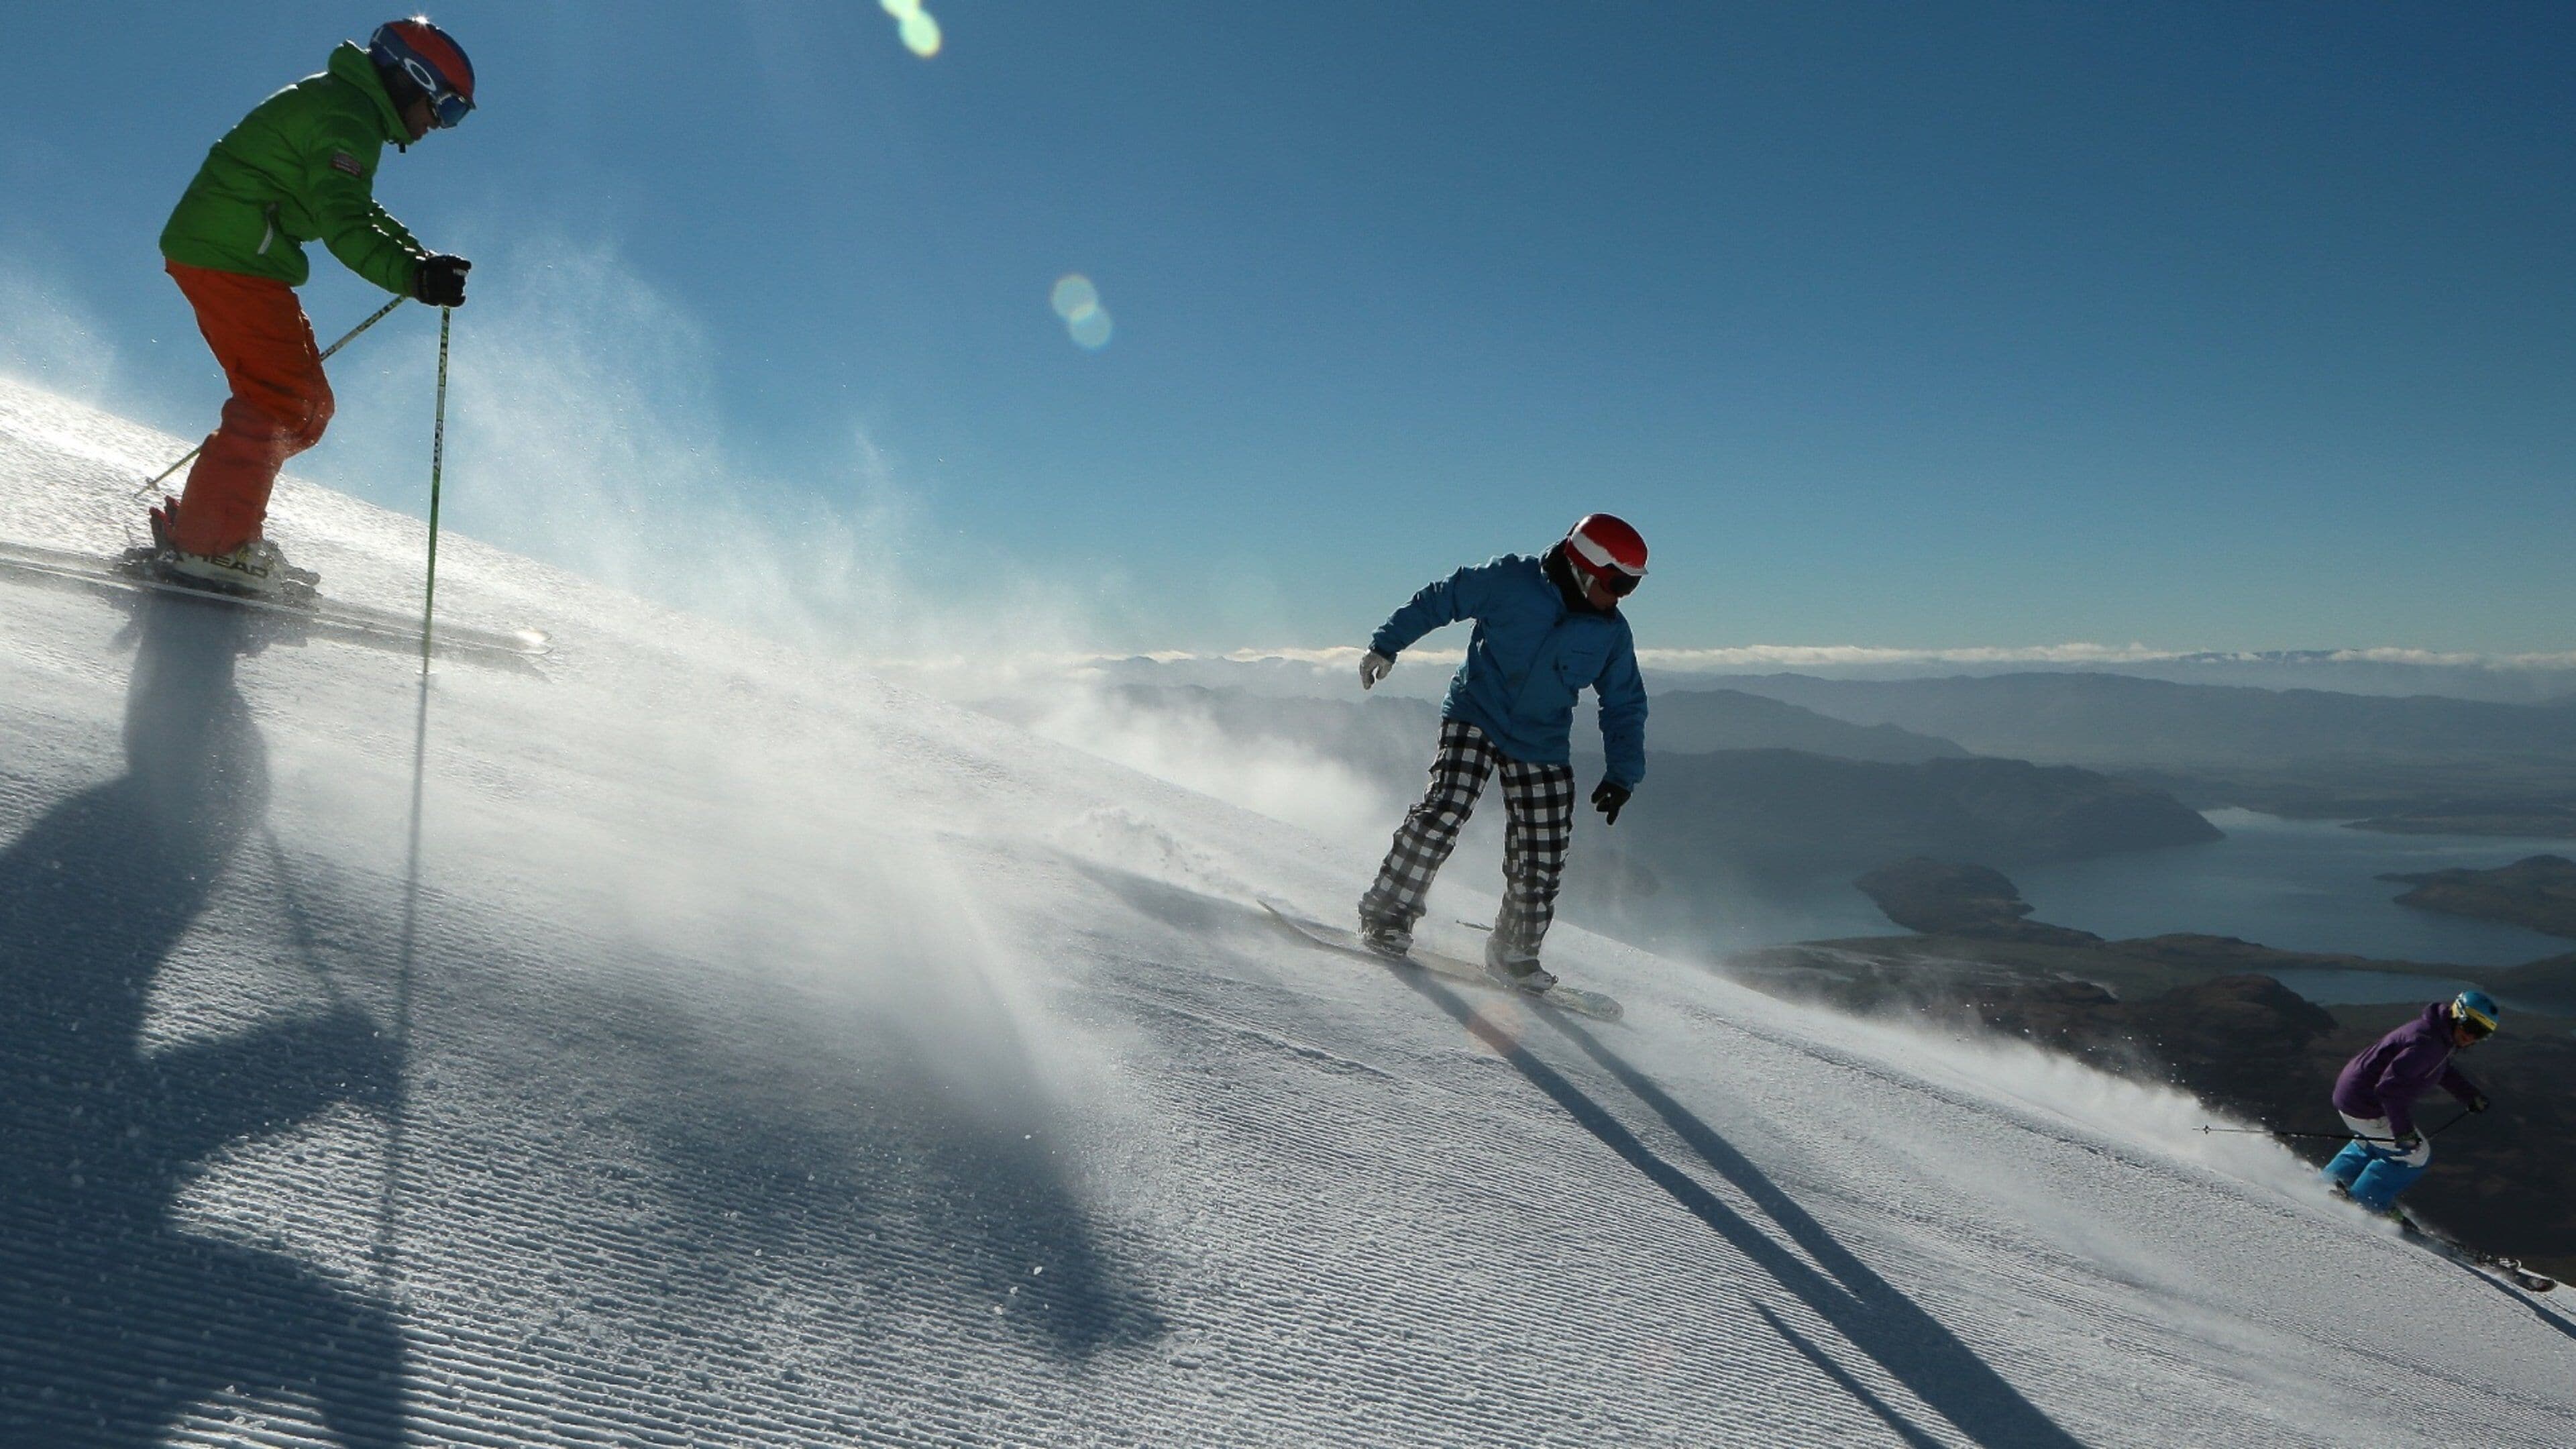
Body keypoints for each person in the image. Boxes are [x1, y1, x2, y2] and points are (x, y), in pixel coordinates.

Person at [154, 17, 478, 592]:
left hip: (235, 253)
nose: (438, 126)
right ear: (411, 80)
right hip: (229, 255)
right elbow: (344, 223)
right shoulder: (345, 118)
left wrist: (419, 260)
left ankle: (213, 525)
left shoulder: (347, 109)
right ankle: (211, 545)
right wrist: (413, 276)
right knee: (282, 401)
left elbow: (360, 209)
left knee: (305, 404)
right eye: (445, 109)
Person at [1353, 514, 1650, 991]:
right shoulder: (1509, 581)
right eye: (1620, 582)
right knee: (1445, 809)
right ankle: (1387, 916)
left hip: (1542, 738)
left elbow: (1625, 702)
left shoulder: (1609, 632)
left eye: (1633, 586)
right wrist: (1386, 646)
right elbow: (1441, 598)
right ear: (1585, 566)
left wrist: (1623, 774)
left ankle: (1514, 953)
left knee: (1543, 849)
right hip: (1476, 712)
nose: (1623, 596)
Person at [2322, 989, 2498, 1214]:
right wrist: (2403, 1132)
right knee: (2415, 1157)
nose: (2472, 1037)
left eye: (2482, 1034)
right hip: (2366, 1105)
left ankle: (2328, 1182)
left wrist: (2469, 1095)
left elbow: (2441, 1070)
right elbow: (2389, 1090)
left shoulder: (2437, 1036)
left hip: (2352, 1096)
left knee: (2371, 1143)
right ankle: (2361, 1205)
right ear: (2457, 1014)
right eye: (2472, 1027)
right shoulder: (2427, 1045)